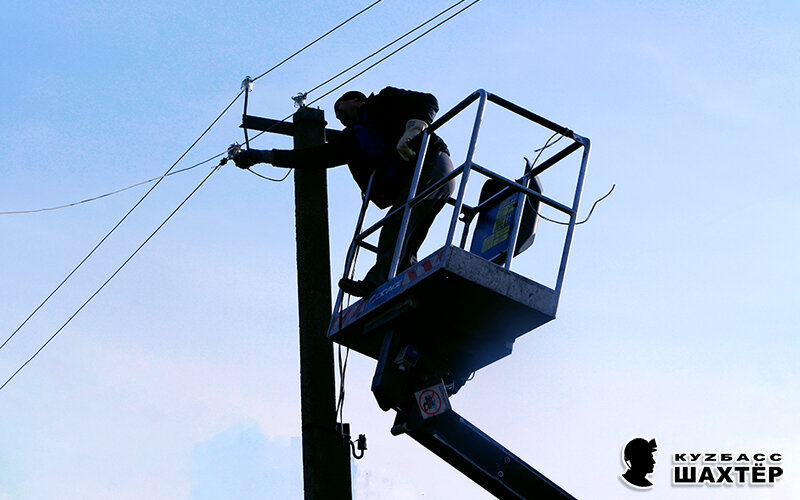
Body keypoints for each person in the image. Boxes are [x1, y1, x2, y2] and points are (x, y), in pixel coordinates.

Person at [234, 87, 456, 297]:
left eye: (340, 108)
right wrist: (263, 156)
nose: (338, 116)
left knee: (398, 221)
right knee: (408, 233)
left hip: (432, 162)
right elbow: (315, 156)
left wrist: (415, 127)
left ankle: (377, 282)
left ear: (357, 100)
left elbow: (428, 101)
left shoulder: (385, 101)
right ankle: (408, 280)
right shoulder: (353, 140)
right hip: (414, 178)